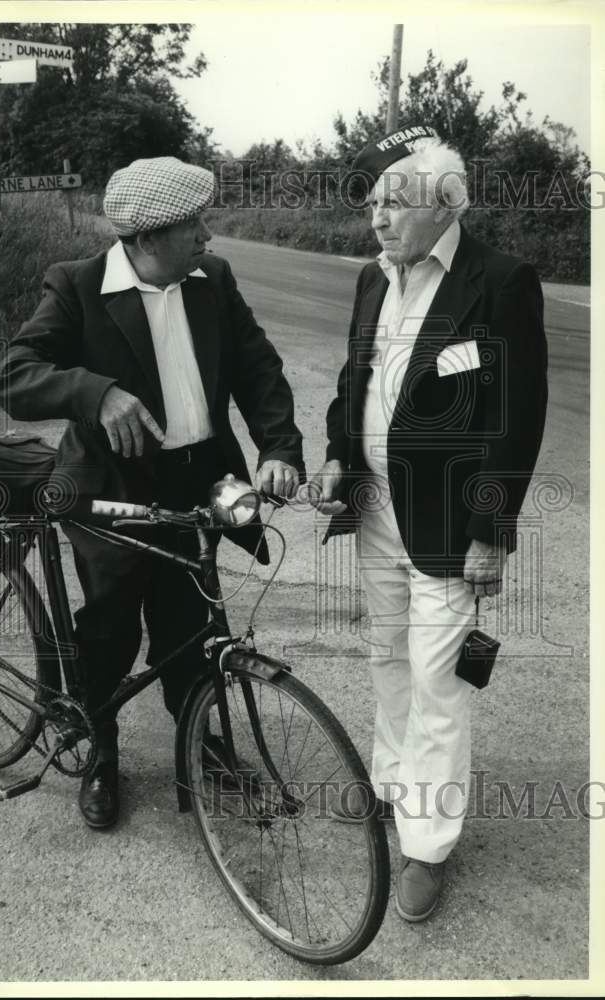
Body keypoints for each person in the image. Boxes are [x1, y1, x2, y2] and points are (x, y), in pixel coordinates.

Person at [0, 156, 304, 830]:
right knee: (109, 626)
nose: (207, 235)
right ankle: (98, 749)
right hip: (112, 491)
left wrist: (279, 447)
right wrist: (94, 392)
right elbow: (14, 374)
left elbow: (257, 368)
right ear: (148, 237)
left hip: (204, 479)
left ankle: (200, 739)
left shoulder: (211, 279)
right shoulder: (78, 287)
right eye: (193, 223)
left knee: (195, 620)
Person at [311, 125, 548, 921]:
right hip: (376, 506)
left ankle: (427, 844)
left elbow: (515, 418)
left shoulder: (501, 281)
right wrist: (338, 455)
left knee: (437, 680)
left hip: (450, 519)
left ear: (444, 205)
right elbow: (355, 378)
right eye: (372, 204)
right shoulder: (371, 280)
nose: (376, 218)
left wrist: (492, 528)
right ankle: (389, 785)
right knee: (386, 655)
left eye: (393, 203)